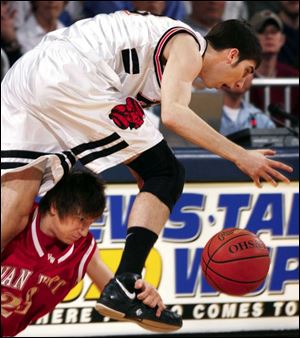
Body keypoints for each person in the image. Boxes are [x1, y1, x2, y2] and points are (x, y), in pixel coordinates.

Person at [1, 10, 293, 325]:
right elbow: (174, 116)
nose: (240, 82)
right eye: (246, 70)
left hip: (29, 76)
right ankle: (125, 286)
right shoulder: (189, 45)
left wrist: (151, 200)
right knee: (167, 172)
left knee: (14, 213)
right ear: (231, 54)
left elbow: (145, 174)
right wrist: (240, 155)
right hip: (75, 74)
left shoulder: (166, 62)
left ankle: (129, 284)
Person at [1, 171, 181, 337]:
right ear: (55, 207)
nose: (84, 232)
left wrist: (147, 301)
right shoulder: (14, 218)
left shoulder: (83, 249)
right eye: (81, 220)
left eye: (90, 223)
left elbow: (119, 301)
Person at [249, 10, 299, 125]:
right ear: (251, 39)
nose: (269, 36)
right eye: (261, 31)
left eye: (274, 31)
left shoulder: (293, 76)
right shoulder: (240, 77)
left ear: (282, 40)